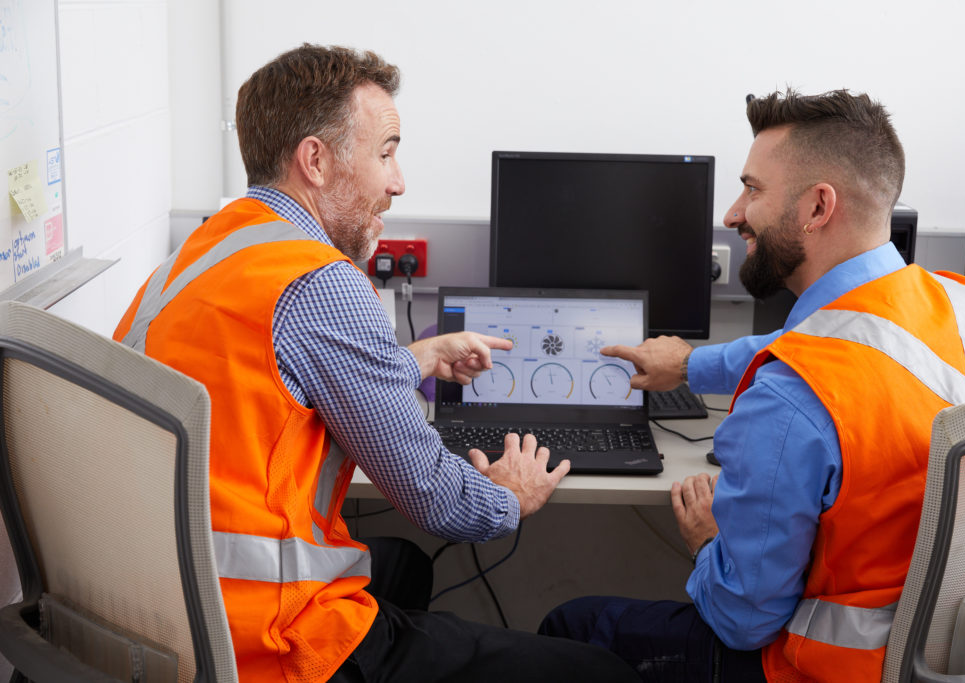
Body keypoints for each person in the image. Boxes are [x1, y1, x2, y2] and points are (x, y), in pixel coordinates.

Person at [114, 44, 640, 683]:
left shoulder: (196, 257)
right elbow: (441, 501)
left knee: (405, 565)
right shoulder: (320, 282)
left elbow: (271, 377)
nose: (398, 181)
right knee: (600, 673)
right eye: (386, 153)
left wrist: (410, 358)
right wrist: (509, 496)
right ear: (316, 160)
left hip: (158, 609)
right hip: (264, 643)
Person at [539, 89, 965, 682]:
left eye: (753, 189)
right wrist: (690, 365)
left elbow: (743, 621)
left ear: (818, 207)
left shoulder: (794, 393)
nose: (733, 213)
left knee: (574, 626)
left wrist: (707, 542)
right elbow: (851, 347)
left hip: (824, 670)